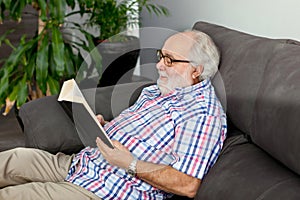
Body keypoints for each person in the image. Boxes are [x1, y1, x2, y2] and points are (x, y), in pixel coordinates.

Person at [0, 30, 227, 199]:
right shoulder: (156, 91)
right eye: (160, 56)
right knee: (13, 159)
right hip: (79, 164)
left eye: (169, 60)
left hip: (101, 190)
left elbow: (188, 184)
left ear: (196, 70)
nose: (159, 65)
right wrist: (103, 127)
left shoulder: (202, 116)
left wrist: (130, 164)